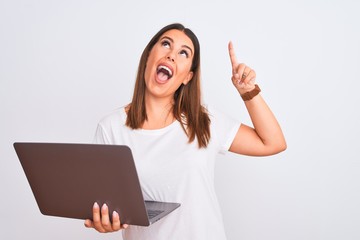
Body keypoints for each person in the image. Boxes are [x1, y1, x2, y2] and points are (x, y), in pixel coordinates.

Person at [84, 23, 286, 240]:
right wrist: (104, 220)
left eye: (183, 53)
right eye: (165, 44)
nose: (171, 55)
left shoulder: (203, 120)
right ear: (149, 56)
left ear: (188, 76)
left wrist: (248, 91)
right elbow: (102, 204)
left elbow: (272, 142)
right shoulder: (111, 127)